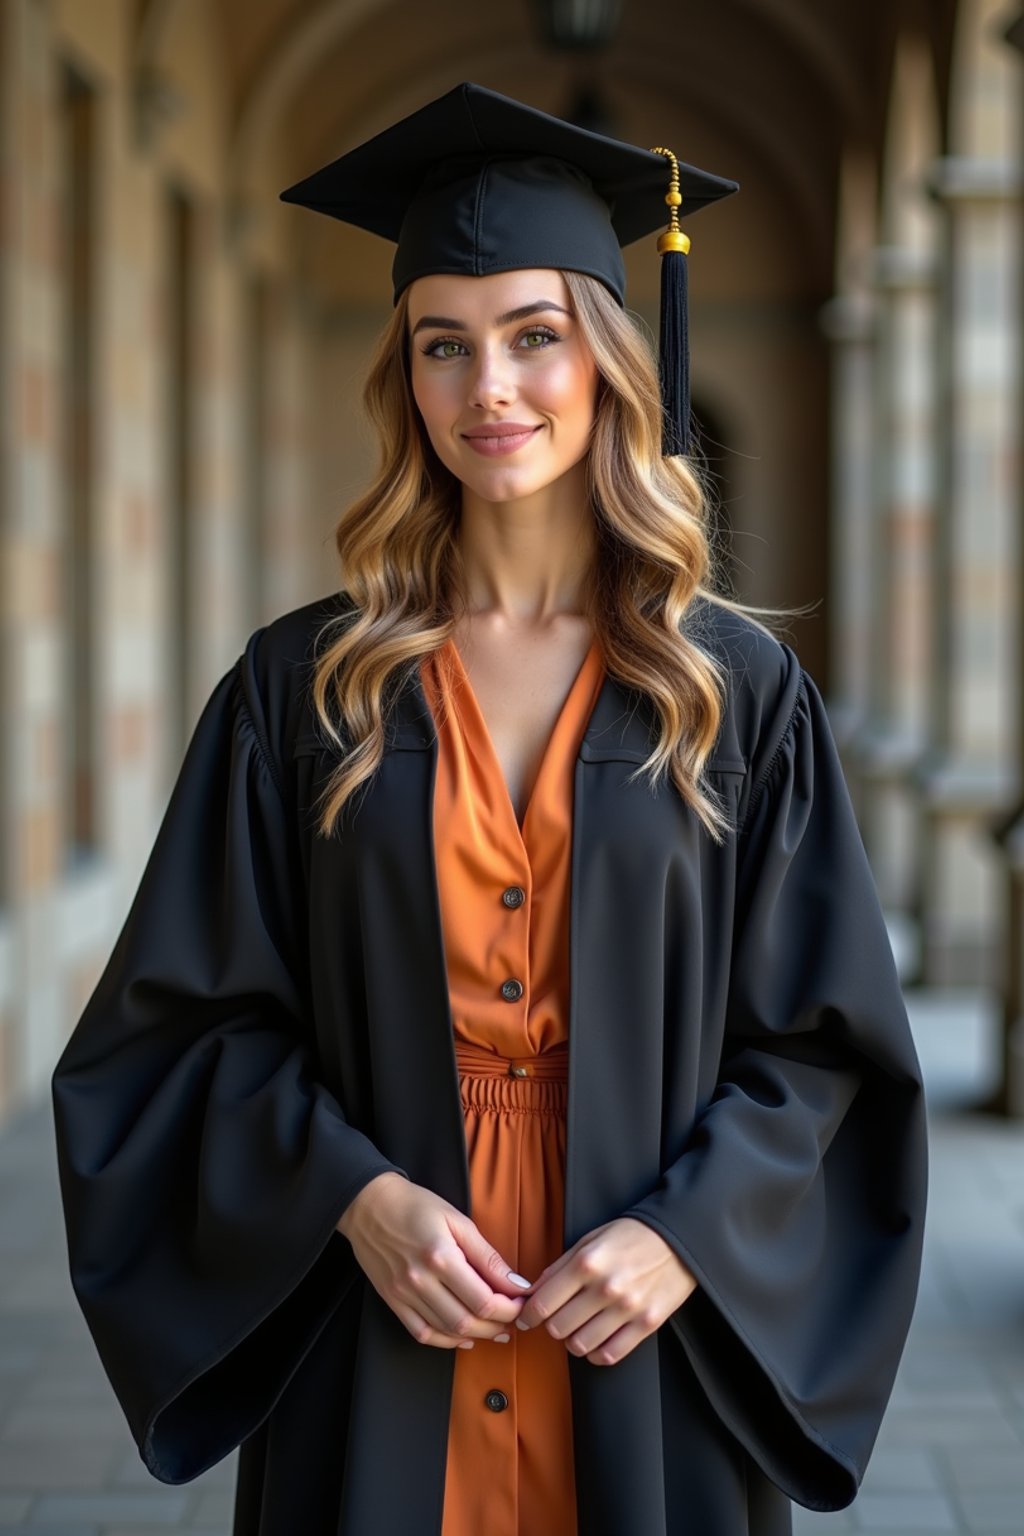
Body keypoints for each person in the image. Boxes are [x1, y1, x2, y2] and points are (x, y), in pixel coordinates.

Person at [51, 82, 928, 1536]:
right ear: (404, 376)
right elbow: (181, 1026)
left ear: (609, 360)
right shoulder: (301, 690)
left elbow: (824, 1046)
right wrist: (352, 1197)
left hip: (643, 1334)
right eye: (442, 346)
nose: (491, 390)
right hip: (384, 1310)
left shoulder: (735, 692)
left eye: (535, 335)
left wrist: (688, 1237)